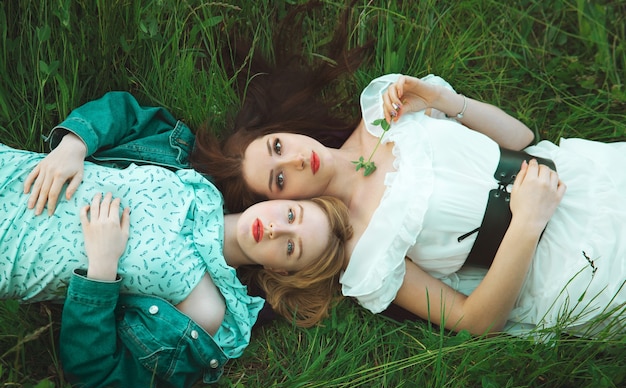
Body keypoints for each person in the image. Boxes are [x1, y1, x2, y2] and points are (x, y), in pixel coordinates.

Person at [191, 50, 626, 337]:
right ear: (283, 202)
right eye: (279, 180)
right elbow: (475, 323)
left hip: (587, 177)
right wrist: (527, 224)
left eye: (278, 148)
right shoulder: (365, 249)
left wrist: (446, 100)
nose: (295, 162)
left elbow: (522, 138)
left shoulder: (384, 111)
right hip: (578, 266)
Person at [2, 92, 352, 388]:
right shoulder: (188, 169)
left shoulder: (205, 308)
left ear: (280, 270)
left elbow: (97, 371)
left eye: (291, 247)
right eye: (292, 214)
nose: (275, 229)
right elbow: (124, 113)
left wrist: (101, 269)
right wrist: (73, 147)